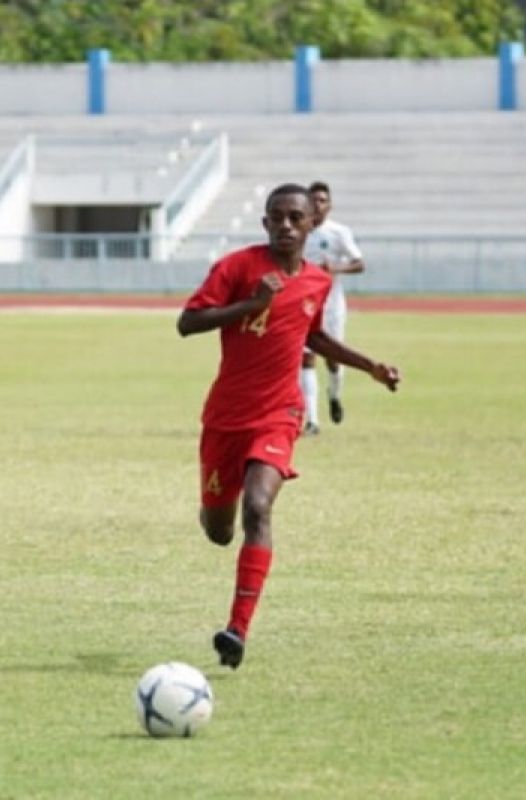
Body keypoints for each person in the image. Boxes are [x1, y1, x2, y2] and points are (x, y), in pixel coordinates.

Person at [176, 183, 399, 670]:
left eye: (295, 217)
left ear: (310, 224)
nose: (286, 225)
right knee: (219, 530)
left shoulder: (317, 281)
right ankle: (215, 505)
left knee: (259, 508)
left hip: (279, 414)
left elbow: (314, 334)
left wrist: (369, 367)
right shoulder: (237, 268)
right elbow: (187, 322)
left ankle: (236, 630)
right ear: (265, 223)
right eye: (276, 217)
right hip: (225, 419)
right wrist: (249, 306)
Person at [299, 180, 366, 435]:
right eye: (313, 200)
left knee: (333, 360)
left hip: (332, 307)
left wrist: (335, 268)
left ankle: (334, 394)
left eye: (322, 200)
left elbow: (359, 263)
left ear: (330, 205)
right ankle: (312, 421)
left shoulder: (338, 233)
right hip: (304, 306)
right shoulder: (297, 231)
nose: (317, 205)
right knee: (306, 359)